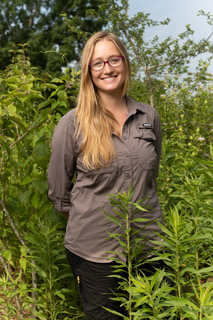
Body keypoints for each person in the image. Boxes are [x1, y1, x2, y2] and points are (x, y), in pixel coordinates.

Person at [48, 31, 164, 320]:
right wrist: (96, 223)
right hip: (95, 254)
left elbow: (151, 177)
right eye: (97, 63)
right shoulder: (72, 123)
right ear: (88, 70)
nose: (107, 69)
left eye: (113, 59)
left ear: (124, 63)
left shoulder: (149, 117)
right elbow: (60, 194)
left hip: (149, 248)